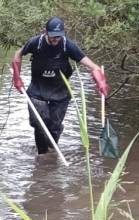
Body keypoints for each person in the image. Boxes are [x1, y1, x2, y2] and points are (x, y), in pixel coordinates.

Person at [11, 16, 108, 154]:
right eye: (52, 36)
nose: (55, 39)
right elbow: (17, 55)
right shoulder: (35, 43)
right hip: (38, 89)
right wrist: (16, 78)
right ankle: (42, 156)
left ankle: (51, 152)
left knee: (54, 127)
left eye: (58, 36)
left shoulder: (67, 45)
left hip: (60, 91)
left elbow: (93, 66)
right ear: (45, 32)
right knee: (39, 123)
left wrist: (101, 81)